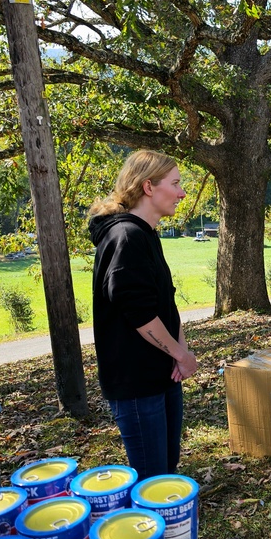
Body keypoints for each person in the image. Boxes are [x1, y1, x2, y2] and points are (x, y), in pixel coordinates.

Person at [88, 149, 198, 480]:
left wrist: (181, 353)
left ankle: (173, 530)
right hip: (136, 383)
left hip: (164, 374)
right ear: (148, 187)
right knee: (153, 479)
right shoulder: (125, 237)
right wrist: (181, 353)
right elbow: (137, 311)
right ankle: (154, 531)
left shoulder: (146, 234)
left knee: (168, 468)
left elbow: (165, 301)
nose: (181, 193)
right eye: (176, 184)